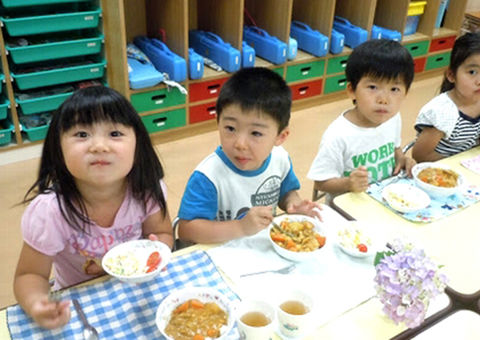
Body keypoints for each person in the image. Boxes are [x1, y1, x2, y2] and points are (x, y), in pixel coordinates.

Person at [13, 86, 173, 329]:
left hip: (136, 291)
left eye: (115, 133)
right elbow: (29, 276)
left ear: (137, 146)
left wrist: (156, 251)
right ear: (58, 148)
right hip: (79, 300)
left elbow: (163, 233)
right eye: (82, 134)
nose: (99, 146)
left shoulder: (146, 190)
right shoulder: (50, 212)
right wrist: (37, 304)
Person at [177, 67, 321, 244]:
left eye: (256, 133)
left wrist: (293, 204)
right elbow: (186, 230)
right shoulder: (209, 176)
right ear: (218, 123)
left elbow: (286, 193)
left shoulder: (280, 159)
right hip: (223, 253)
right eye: (230, 128)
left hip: (264, 246)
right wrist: (240, 227)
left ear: (280, 137)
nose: (240, 144)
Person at [307, 39, 416, 202]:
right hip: (348, 209)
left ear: (406, 94)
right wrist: (348, 183)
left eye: (394, 89)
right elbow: (321, 183)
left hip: (385, 199)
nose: (384, 99)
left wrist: (402, 159)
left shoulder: (392, 118)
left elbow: (395, 147)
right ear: (352, 91)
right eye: (373, 87)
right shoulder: (338, 135)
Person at [413, 31, 480, 162]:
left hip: (469, 166)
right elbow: (421, 155)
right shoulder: (442, 112)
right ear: (451, 75)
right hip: (440, 169)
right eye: (472, 72)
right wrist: (461, 164)